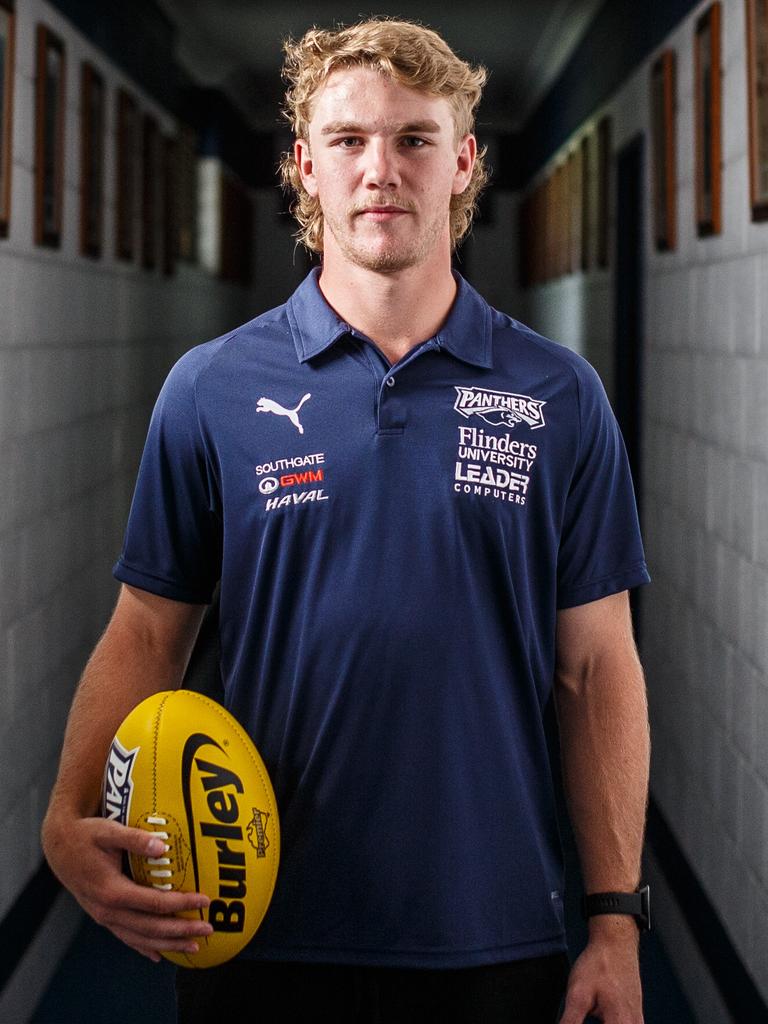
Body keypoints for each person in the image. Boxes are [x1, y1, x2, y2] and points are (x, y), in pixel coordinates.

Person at [42, 18, 651, 1024]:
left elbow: (596, 667)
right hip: (256, 923)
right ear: (303, 167)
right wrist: (66, 815)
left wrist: (617, 920)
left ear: (462, 164)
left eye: (415, 139)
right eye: (348, 140)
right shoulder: (210, 390)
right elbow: (149, 629)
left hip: (495, 932)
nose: (382, 169)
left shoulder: (561, 398)